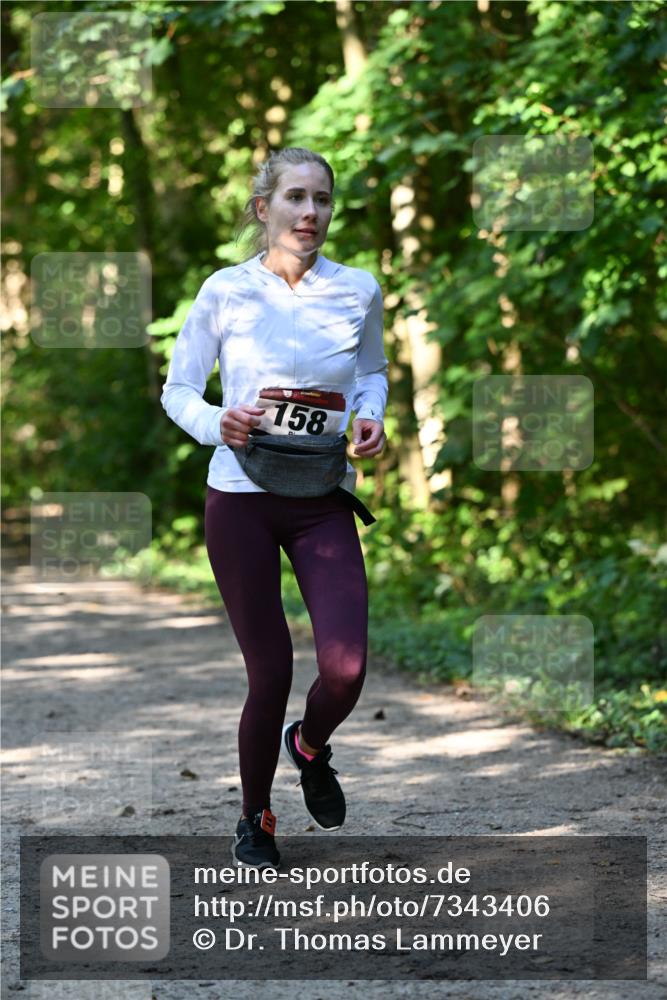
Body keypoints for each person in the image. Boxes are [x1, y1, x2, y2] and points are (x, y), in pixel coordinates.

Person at [160, 147, 388, 869]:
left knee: (346, 668)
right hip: (241, 500)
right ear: (264, 209)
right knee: (271, 672)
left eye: (321, 199)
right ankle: (254, 818)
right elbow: (178, 391)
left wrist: (370, 414)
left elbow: (371, 371)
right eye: (294, 197)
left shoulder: (357, 289)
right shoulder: (225, 291)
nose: (310, 213)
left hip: (320, 500)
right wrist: (214, 422)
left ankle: (310, 746)